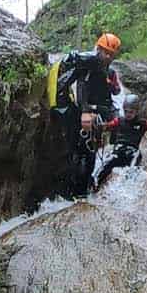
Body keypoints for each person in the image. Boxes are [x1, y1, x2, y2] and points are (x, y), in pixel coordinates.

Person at [52, 32, 122, 198]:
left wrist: (113, 86)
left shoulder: (109, 71)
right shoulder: (89, 65)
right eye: (105, 52)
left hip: (100, 110)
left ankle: (101, 173)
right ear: (98, 49)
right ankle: (78, 192)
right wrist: (85, 111)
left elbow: (115, 92)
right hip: (86, 111)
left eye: (111, 54)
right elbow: (82, 88)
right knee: (84, 151)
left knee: (93, 149)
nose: (108, 56)